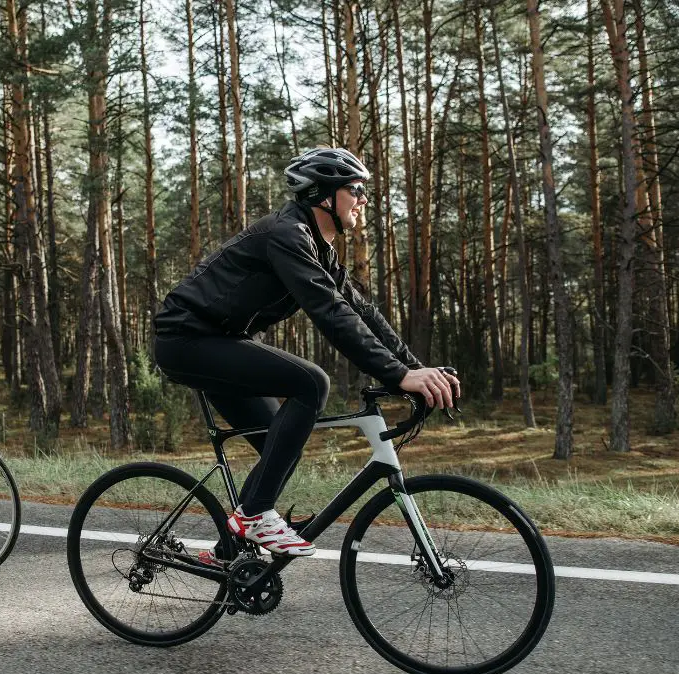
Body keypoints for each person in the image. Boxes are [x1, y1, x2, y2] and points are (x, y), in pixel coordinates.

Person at [153, 147, 460, 557]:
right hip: (184, 340)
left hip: (219, 341)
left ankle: (232, 557)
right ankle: (253, 516)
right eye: (356, 189)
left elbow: (361, 310)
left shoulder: (317, 247)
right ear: (324, 196)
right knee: (312, 382)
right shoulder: (287, 235)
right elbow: (330, 313)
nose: (364, 199)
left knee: (281, 446)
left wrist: (415, 369)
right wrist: (397, 376)